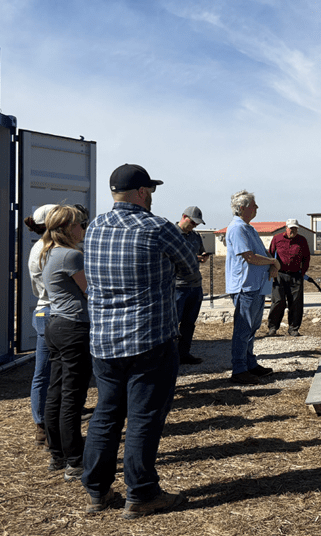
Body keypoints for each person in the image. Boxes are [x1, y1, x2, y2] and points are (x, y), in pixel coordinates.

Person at [81, 164, 198, 519]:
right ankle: (142, 492)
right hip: (150, 338)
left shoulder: (94, 227)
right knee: (144, 417)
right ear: (143, 192)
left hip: (104, 340)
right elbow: (190, 270)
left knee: (106, 414)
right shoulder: (157, 227)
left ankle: (97, 491)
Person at [39, 205, 92, 481]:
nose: (83, 228)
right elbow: (90, 291)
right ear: (67, 228)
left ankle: (57, 454)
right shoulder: (72, 255)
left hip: (56, 324)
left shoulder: (50, 252)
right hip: (74, 327)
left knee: (56, 392)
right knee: (72, 396)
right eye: (80, 224)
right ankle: (75, 460)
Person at [225, 190, 280, 385]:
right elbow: (249, 257)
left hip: (256, 286)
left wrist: (271, 265)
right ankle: (239, 369)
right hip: (245, 287)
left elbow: (260, 253)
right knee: (243, 329)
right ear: (242, 208)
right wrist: (272, 262)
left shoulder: (248, 228)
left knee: (252, 328)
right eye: (253, 205)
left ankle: (249, 363)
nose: (257, 208)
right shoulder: (237, 229)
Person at [24, 204, 57, 448]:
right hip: (54, 313)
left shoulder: (38, 247)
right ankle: (48, 428)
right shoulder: (51, 250)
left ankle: (42, 426)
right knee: (51, 374)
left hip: (43, 310)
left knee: (43, 372)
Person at [175, 206, 209, 365]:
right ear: (184, 217)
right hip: (177, 286)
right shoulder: (172, 235)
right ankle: (170, 356)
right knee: (173, 323)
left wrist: (203, 257)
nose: (194, 226)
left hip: (195, 285)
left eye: (197, 224)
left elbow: (200, 253)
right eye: (193, 223)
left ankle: (183, 353)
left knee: (189, 323)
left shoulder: (195, 237)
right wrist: (194, 257)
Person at [267, 219, 311, 337]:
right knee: (278, 301)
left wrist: (302, 272)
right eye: (291, 228)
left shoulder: (302, 240)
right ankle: (273, 327)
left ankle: (293, 328)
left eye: (295, 228)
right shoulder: (277, 238)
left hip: (296, 275)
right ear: (286, 228)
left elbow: (306, 257)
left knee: (296, 303)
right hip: (279, 275)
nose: (293, 231)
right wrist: (272, 270)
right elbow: (270, 254)